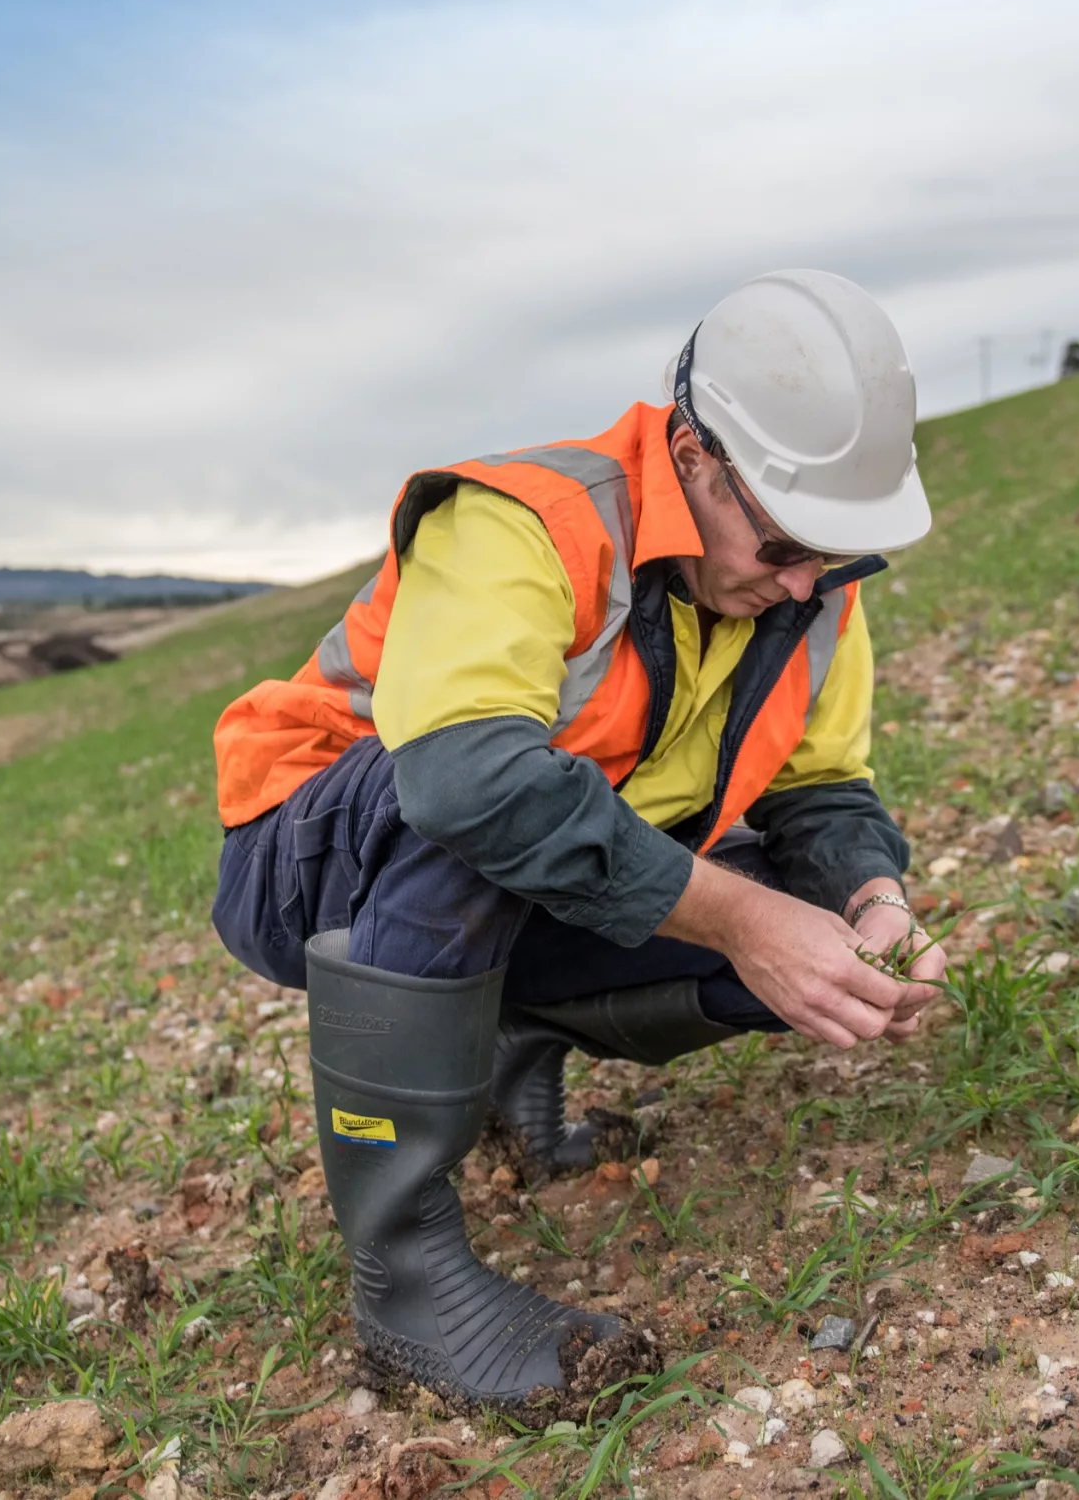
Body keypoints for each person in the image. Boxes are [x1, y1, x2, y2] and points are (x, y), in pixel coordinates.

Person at [209, 268, 941, 1408]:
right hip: (311, 862)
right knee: (493, 792)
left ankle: (506, 1054)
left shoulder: (809, 590)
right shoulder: (528, 521)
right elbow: (460, 781)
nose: (804, 582)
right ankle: (400, 1278)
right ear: (694, 454)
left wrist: (870, 904)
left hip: (505, 873)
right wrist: (746, 920)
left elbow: (821, 792)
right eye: (788, 541)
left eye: (835, 555)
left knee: (799, 939)